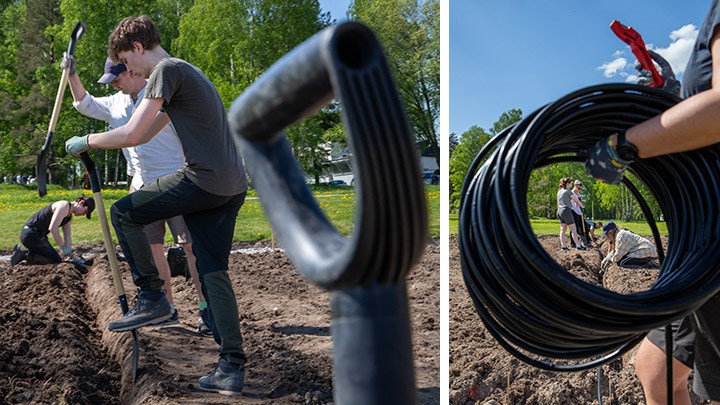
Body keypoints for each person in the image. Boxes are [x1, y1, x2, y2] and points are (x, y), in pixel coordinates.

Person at [65, 15, 248, 396]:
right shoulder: (184, 77)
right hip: (231, 185)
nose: (127, 70)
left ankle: (152, 297)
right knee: (214, 271)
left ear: (137, 48)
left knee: (124, 212)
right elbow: (143, 132)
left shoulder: (166, 69)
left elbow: (133, 132)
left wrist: (88, 140)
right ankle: (231, 366)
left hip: (204, 178)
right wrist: (97, 136)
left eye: (126, 62)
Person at [586, 3, 720, 403]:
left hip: (715, 240)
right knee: (655, 369)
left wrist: (622, 145)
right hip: (701, 244)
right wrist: (673, 96)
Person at [63, 54, 211, 334]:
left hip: (177, 179)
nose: (113, 85)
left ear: (132, 72)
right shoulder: (116, 103)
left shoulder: (159, 95)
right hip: (143, 185)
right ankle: (165, 308)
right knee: (152, 248)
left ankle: (207, 310)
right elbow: (84, 103)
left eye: (117, 78)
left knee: (191, 246)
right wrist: (72, 75)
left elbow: (147, 133)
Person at [10, 196, 95, 267]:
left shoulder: (69, 217)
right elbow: (53, 228)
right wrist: (63, 247)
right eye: (85, 211)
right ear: (81, 202)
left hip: (38, 236)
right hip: (31, 234)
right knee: (55, 260)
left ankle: (23, 252)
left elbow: (67, 236)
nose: (83, 214)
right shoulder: (64, 206)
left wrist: (70, 254)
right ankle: (24, 254)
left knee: (52, 256)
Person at [556, 177, 587, 251]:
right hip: (566, 211)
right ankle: (578, 246)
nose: (571, 185)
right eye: (571, 183)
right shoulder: (568, 191)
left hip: (559, 211)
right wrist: (582, 206)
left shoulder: (559, 191)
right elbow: (576, 201)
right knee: (573, 229)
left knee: (562, 229)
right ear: (567, 184)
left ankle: (563, 246)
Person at [570, 180, 588, 247]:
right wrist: (579, 204)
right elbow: (573, 204)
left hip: (579, 212)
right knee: (574, 228)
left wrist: (582, 205)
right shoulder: (571, 193)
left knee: (585, 227)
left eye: (580, 188)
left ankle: (585, 241)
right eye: (579, 187)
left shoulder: (579, 194)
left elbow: (581, 202)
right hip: (573, 212)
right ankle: (573, 243)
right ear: (575, 185)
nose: (579, 189)